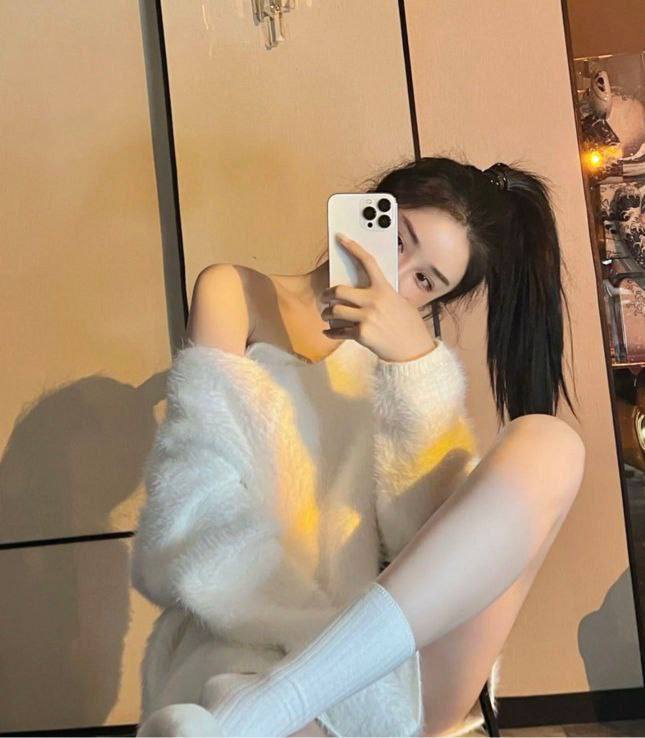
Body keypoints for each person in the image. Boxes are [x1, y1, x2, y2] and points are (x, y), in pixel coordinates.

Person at [132, 156, 586, 737]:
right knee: (220, 715)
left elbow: (430, 544)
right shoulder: (237, 292)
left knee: (550, 442)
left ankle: (273, 707)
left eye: (424, 281)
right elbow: (195, 495)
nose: (393, 278)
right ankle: (270, 706)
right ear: (369, 206)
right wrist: (312, 641)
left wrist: (414, 370)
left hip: (399, 658)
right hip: (254, 634)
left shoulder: (408, 364)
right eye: (396, 241)